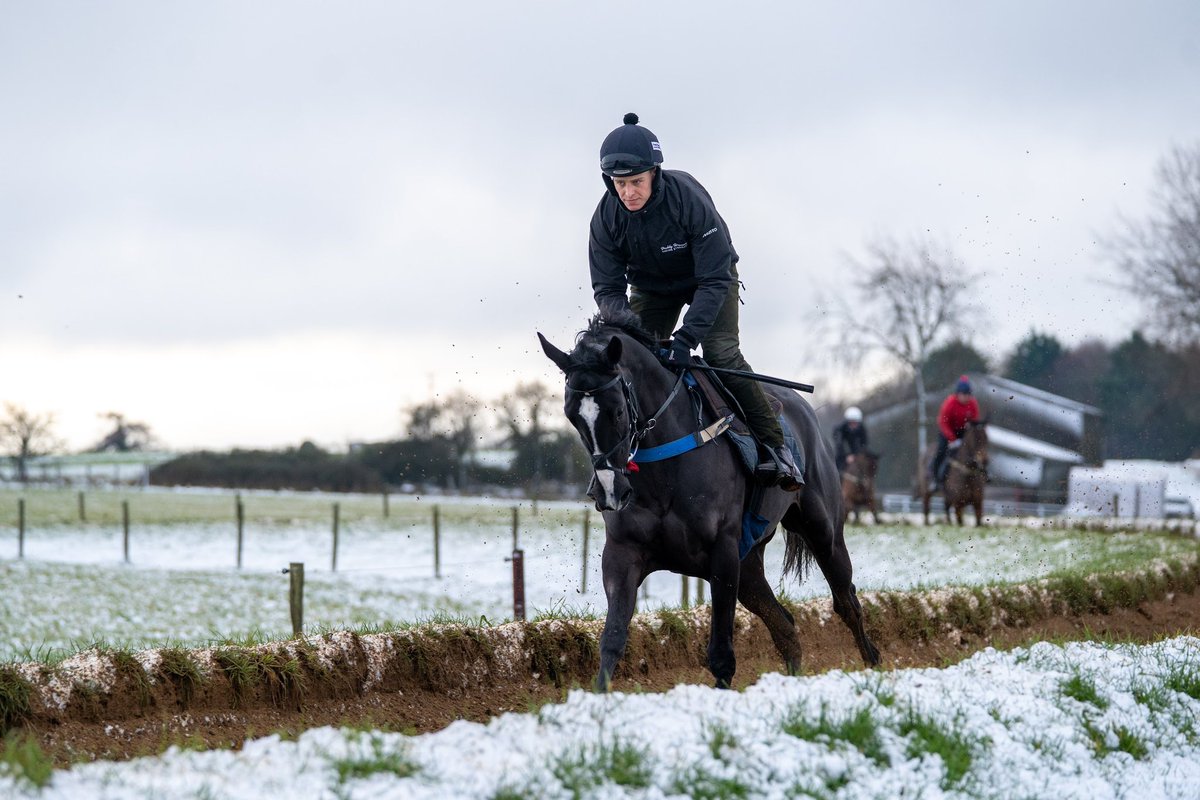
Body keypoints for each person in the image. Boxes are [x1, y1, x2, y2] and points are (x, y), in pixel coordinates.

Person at [588, 112, 803, 491]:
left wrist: (686, 340)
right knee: (630, 356)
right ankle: (621, 460)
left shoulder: (687, 200)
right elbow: (607, 291)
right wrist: (631, 333)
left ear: (655, 173)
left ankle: (776, 445)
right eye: (620, 184)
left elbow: (715, 277)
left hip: (711, 280)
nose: (628, 193)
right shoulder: (605, 219)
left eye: (636, 182)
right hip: (653, 290)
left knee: (721, 353)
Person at [930, 375, 981, 488]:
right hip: (948, 432)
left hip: (964, 432)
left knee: (978, 450)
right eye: (964, 394)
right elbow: (943, 422)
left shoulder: (973, 403)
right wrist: (952, 439)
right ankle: (935, 477)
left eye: (968, 394)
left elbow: (976, 420)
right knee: (941, 451)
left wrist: (971, 426)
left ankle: (982, 473)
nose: (967, 397)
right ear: (958, 394)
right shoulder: (949, 403)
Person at [833, 406, 869, 473]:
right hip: (842, 454)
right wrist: (846, 456)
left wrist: (856, 455)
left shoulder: (861, 429)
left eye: (855, 423)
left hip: (855, 452)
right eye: (851, 422)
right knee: (837, 464)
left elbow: (864, 444)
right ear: (847, 422)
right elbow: (839, 445)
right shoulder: (840, 430)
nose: (854, 425)